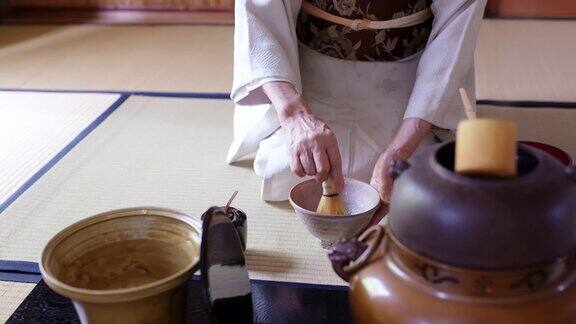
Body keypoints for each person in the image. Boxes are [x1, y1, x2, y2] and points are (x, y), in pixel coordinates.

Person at [227, 0, 487, 206]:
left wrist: (400, 150)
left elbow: (456, 27)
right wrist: (294, 114)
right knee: (289, 169)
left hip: (409, 65)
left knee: (415, 176)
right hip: (305, 61)